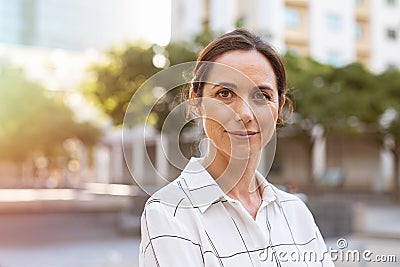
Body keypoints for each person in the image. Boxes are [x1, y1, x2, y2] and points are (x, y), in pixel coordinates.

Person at [139, 29, 334, 266]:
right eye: (224, 93)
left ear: (279, 107)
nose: (244, 113)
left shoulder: (296, 212)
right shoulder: (170, 213)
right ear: (197, 103)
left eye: (261, 95)